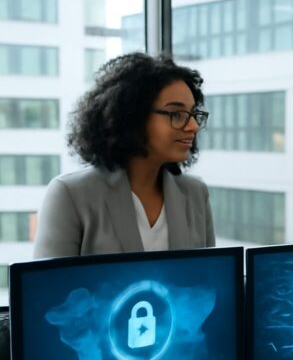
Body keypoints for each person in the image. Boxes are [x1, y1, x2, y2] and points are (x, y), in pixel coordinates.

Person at [33, 53, 214, 259]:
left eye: (193, 114)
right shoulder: (70, 195)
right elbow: (48, 289)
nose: (193, 126)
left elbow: (207, 284)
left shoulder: (196, 194)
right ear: (132, 116)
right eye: (176, 114)